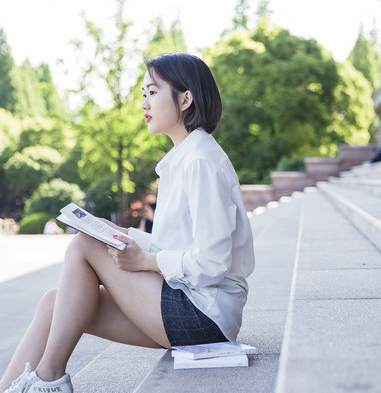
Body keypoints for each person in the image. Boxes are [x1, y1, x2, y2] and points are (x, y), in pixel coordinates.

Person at [0, 53, 255, 393]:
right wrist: (121, 233)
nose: (143, 103)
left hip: (205, 316)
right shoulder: (185, 158)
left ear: (185, 99)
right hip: (187, 305)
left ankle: (49, 379)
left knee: (84, 244)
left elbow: (211, 263)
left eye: (152, 92)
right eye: (143, 94)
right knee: (52, 302)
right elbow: (178, 247)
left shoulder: (200, 162)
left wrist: (146, 260)